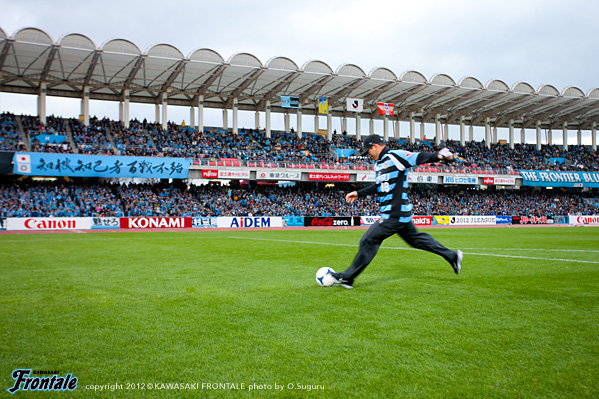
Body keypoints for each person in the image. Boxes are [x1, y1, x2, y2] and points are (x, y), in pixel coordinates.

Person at [331, 134, 462, 289]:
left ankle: (347, 278)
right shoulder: (379, 165)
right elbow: (379, 186)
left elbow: (417, 157)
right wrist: (359, 193)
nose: (369, 155)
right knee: (416, 240)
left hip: (394, 214)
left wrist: (438, 156)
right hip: (400, 214)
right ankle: (452, 256)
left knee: (368, 240)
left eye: (369, 151)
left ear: (375, 146)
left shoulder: (395, 156)